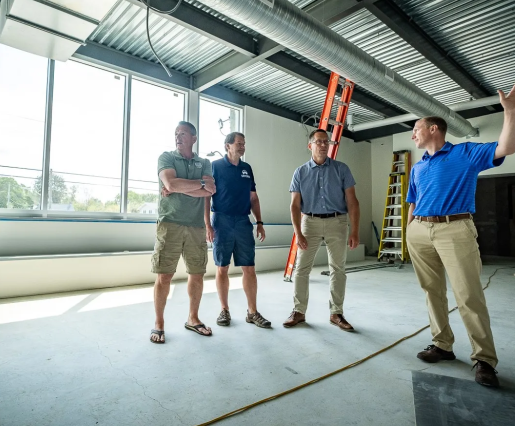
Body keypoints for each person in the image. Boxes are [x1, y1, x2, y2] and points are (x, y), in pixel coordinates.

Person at [406, 76, 515, 388]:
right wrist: (411, 228)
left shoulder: (464, 154)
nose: (413, 135)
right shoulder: (417, 166)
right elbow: (412, 200)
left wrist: (511, 113)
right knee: (431, 292)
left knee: (468, 296)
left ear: (433, 129)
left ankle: (485, 360)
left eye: (416, 129)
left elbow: (507, 147)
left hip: (455, 229)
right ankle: (442, 344)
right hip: (419, 230)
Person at [283, 129, 360, 331]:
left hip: (338, 222)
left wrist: (355, 231)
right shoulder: (300, 172)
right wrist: (298, 233)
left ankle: (336, 313)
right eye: (319, 142)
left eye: (326, 142)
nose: (323, 145)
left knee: (338, 268)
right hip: (309, 222)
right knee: (301, 268)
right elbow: (294, 205)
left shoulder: (341, 169)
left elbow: (352, 202)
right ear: (311, 145)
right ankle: (298, 311)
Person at [150, 122, 216, 344]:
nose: (178, 137)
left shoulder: (204, 162)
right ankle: (159, 323)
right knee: (164, 275)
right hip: (170, 224)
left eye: (183, 134)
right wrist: (197, 185)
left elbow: (211, 190)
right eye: (176, 134)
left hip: (196, 226)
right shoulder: (167, 158)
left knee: (196, 273)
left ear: (194, 138)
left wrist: (179, 186)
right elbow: (170, 182)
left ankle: (193, 318)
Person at [204, 132, 270, 329]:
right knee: (222, 267)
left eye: (244, 143)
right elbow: (206, 197)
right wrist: (208, 225)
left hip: (243, 222)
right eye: (239, 143)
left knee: (249, 267)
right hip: (221, 221)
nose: (242, 146)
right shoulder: (214, 166)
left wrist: (259, 221)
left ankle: (252, 312)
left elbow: (254, 198)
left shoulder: (246, 168)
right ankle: (224, 310)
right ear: (227, 146)